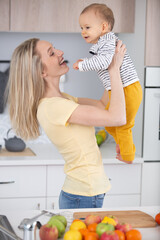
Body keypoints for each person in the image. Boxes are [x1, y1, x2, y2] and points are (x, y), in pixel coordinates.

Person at [7, 38, 126, 209]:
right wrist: (114, 71)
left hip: (86, 192)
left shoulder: (64, 100)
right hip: (84, 194)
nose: (60, 52)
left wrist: (113, 66)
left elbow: (102, 105)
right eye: (52, 53)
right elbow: (117, 117)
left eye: (55, 48)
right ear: (41, 71)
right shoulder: (53, 106)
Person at [73, 3, 143, 164]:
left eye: (87, 27)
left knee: (124, 125)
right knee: (110, 125)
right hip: (119, 90)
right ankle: (124, 145)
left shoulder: (108, 41)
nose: (83, 31)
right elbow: (105, 59)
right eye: (81, 27)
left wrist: (83, 65)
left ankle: (127, 156)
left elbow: (104, 61)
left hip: (128, 89)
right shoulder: (104, 43)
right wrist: (84, 61)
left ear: (104, 27)